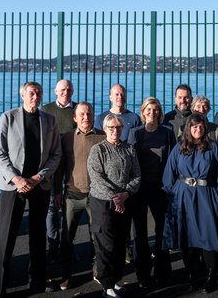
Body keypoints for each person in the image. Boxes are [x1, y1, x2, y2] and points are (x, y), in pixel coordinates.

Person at [0, 81, 62, 296]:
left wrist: (38, 177)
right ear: (23, 95)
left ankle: (37, 283)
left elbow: (56, 154)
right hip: (13, 187)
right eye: (32, 93)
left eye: (39, 93)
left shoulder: (50, 120)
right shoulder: (8, 117)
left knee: (38, 236)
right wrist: (17, 179)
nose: (36, 96)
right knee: (7, 237)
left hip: (39, 185)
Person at [162, 114, 218, 293]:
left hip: (206, 196)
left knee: (208, 237)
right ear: (188, 129)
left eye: (201, 127)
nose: (198, 130)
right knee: (188, 239)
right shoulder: (179, 148)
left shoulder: (213, 148)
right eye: (194, 127)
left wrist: (216, 195)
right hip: (183, 196)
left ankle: (211, 276)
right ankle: (192, 275)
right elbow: (169, 175)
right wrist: (175, 194)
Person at [87, 114, 141, 298]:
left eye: (118, 127)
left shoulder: (129, 149)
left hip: (124, 201)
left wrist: (125, 194)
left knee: (120, 243)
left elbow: (136, 175)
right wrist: (115, 197)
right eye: (111, 127)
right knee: (106, 244)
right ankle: (106, 284)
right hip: (103, 203)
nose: (115, 131)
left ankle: (116, 280)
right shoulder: (98, 150)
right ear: (105, 129)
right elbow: (96, 177)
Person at [54, 101, 105, 291]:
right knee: (67, 238)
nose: (86, 117)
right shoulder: (66, 138)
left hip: (96, 196)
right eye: (82, 114)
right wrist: (57, 192)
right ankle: (66, 275)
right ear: (75, 118)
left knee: (97, 236)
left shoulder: (102, 136)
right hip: (72, 195)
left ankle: (97, 269)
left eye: (89, 114)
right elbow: (59, 167)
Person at [128, 97, 177, 287]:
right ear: (143, 111)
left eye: (155, 110)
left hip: (160, 187)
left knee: (161, 231)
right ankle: (142, 274)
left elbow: (173, 161)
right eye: (148, 109)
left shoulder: (167, 132)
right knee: (139, 233)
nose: (152, 113)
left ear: (160, 112)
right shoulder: (134, 133)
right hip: (139, 188)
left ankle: (162, 272)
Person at [41, 79, 77, 263]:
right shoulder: (46, 110)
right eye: (62, 89)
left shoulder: (78, 110)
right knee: (51, 208)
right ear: (55, 91)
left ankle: (66, 244)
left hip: (73, 164)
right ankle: (52, 246)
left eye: (69, 89)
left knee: (69, 208)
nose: (66, 92)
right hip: (52, 164)